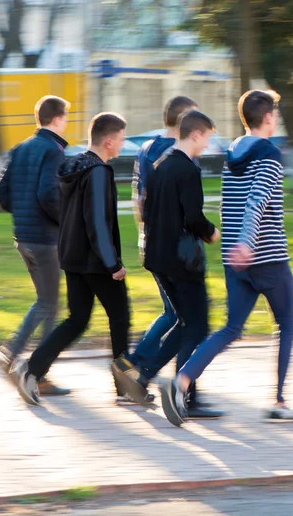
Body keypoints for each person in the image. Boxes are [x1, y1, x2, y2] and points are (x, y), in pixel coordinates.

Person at [160, 90, 293, 427]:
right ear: (268, 117)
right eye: (276, 113)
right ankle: (280, 401)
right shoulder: (269, 154)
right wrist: (247, 242)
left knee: (230, 328)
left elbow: (228, 202)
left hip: (234, 260)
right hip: (265, 256)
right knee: (287, 324)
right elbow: (257, 200)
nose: (277, 118)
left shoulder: (233, 151)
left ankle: (181, 382)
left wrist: (233, 247)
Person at [11, 113, 130, 406]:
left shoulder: (75, 166)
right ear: (109, 140)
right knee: (120, 317)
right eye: (122, 139)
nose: (123, 144)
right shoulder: (100, 172)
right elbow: (97, 223)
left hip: (72, 257)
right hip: (96, 261)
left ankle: (31, 369)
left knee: (77, 320)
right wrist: (112, 263)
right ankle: (126, 387)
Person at [113, 110, 223, 419]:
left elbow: (146, 208)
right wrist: (211, 231)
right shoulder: (187, 169)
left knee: (185, 321)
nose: (208, 145)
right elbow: (193, 217)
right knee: (198, 326)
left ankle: (143, 376)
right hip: (182, 260)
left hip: (158, 257)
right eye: (208, 138)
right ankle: (180, 392)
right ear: (196, 134)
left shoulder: (160, 165)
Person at [111, 96, 197, 404]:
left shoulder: (146, 149)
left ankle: (133, 368)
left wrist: (144, 235)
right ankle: (138, 368)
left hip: (149, 240)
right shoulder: (178, 153)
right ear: (185, 119)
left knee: (172, 312)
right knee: (185, 316)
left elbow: (139, 199)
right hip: (174, 246)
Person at [0, 95, 70, 396]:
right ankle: (37, 373)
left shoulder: (21, 147)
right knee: (50, 304)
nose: (66, 121)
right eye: (65, 116)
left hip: (22, 237)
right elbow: (49, 194)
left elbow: (0, 191)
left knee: (44, 301)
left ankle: (11, 353)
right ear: (57, 118)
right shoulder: (54, 150)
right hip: (44, 240)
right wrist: (64, 222)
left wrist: (23, 212)